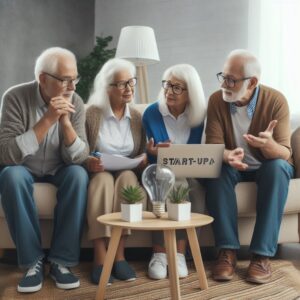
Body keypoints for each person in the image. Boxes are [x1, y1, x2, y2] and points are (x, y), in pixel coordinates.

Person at [0, 47, 89, 293]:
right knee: (11, 176)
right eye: (65, 80)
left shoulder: (76, 102)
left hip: (59, 168)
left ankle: (62, 261)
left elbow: (80, 157)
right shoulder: (15, 97)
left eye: (75, 78)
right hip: (23, 166)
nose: (72, 86)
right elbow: (6, 153)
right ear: (43, 79)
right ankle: (32, 262)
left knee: (78, 175)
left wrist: (66, 123)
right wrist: (48, 119)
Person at [204, 49, 294, 284]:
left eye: (231, 79)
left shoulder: (276, 100)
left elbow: (285, 153)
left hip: (266, 166)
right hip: (234, 166)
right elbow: (213, 146)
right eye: (223, 76)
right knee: (216, 168)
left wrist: (269, 145)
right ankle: (227, 252)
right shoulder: (216, 100)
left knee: (277, 168)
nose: (225, 84)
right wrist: (226, 156)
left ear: (252, 82)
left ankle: (261, 256)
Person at [85, 58, 147, 285]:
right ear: (107, 88)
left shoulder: (138, 117)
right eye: (121, 84)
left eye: (131, 82)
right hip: (99, 172)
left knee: (129, 179)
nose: (129, 88)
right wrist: (88, 161)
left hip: (126, 171)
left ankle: (119, 254)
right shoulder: (92, 114)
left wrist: (142, 159)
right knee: (102, 181)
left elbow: (140, 152)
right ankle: (100, 256)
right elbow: (80, 151)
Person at [142, 64, 207, 280]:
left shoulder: (201, 115)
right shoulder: (152, 112)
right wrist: (151, 152)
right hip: (161, 170)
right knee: (171, 178)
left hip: (192, 170)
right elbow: (152, 156)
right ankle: (162, 253)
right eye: (167, 85)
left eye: (177, 88)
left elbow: (203, 152)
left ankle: (178, 253)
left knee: (193, 186)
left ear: (191, 93)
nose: (169, 91)